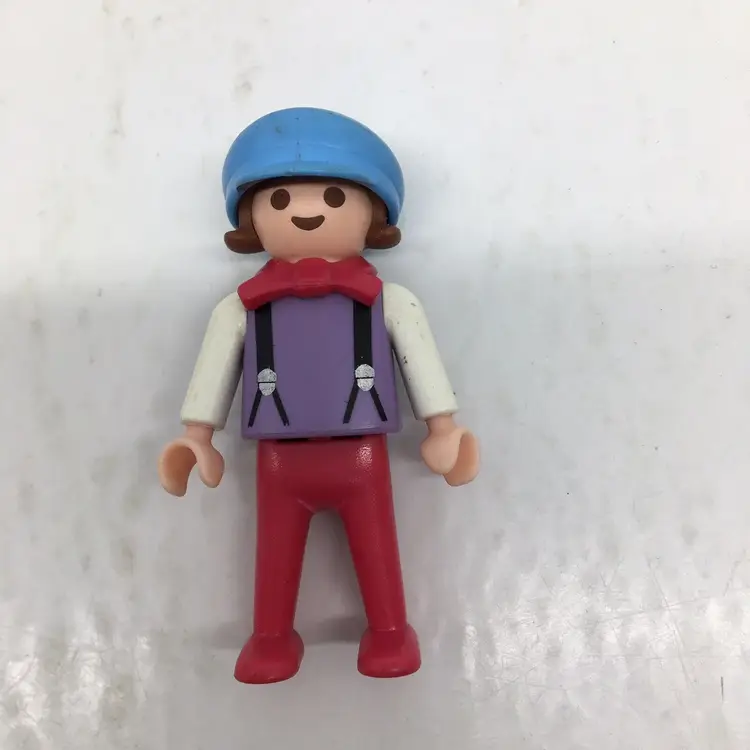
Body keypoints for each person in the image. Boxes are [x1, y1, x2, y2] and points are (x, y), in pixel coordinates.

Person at [158, 107, 480, 683]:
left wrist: (443, 427)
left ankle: (389, 632)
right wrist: (196, 436)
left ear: (373, 215)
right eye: (280, 200)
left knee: (377, 549)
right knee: (274, 552)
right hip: (279, 460)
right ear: (251, 218)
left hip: (363, 453)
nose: (306, 211)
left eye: (334, 197)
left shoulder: (390, 300)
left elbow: (421, 360)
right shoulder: (241, 307)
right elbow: (214, 368)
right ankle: (271, 638)